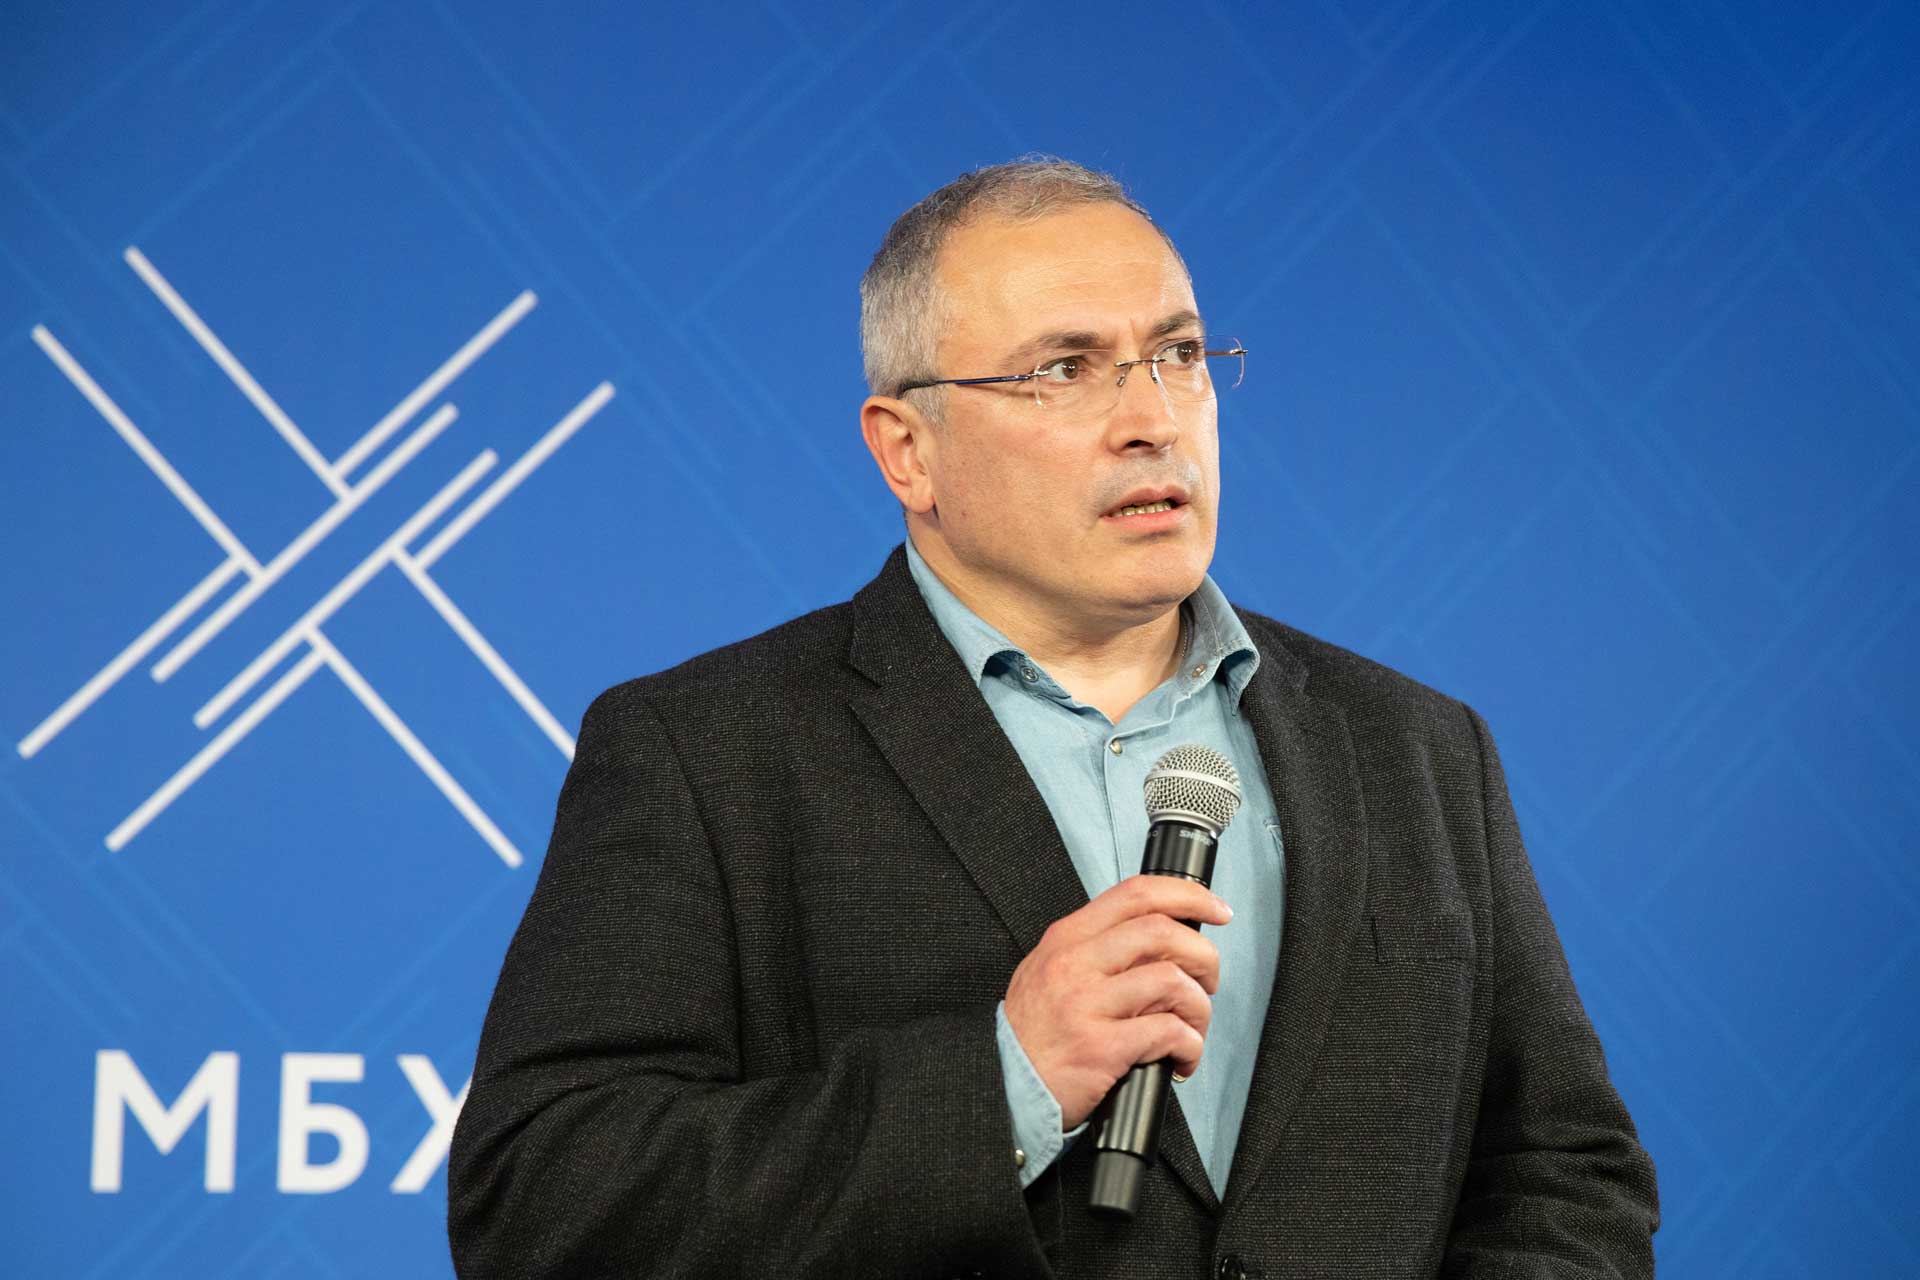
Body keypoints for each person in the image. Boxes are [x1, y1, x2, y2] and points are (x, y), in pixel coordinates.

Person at [447, 158, 1659, 1278]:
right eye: (1066, 368)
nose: (1153, 417)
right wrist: (1005, 1080)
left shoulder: (1416, 748)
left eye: (1179, 353)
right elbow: (542, 1200)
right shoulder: (708, 751)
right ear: (908, 451)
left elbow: (1565, 1172)